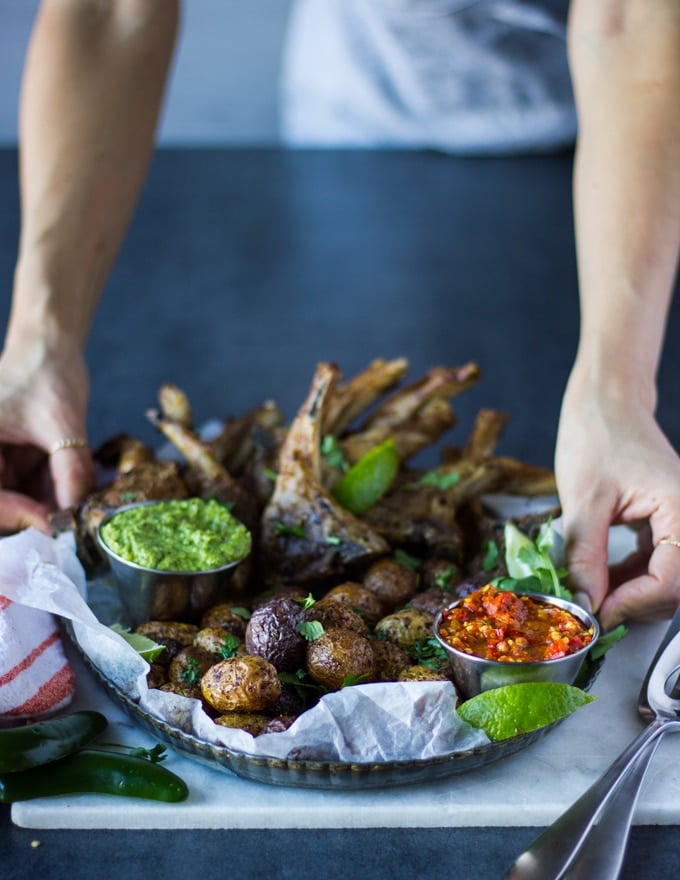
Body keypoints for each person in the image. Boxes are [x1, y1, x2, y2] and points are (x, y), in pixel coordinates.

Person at [0, 0, 678, 632]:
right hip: (359, 124)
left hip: (617, 157)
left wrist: (616, 394)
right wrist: (39, 341)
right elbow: (109, 12)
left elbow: (628, 18)